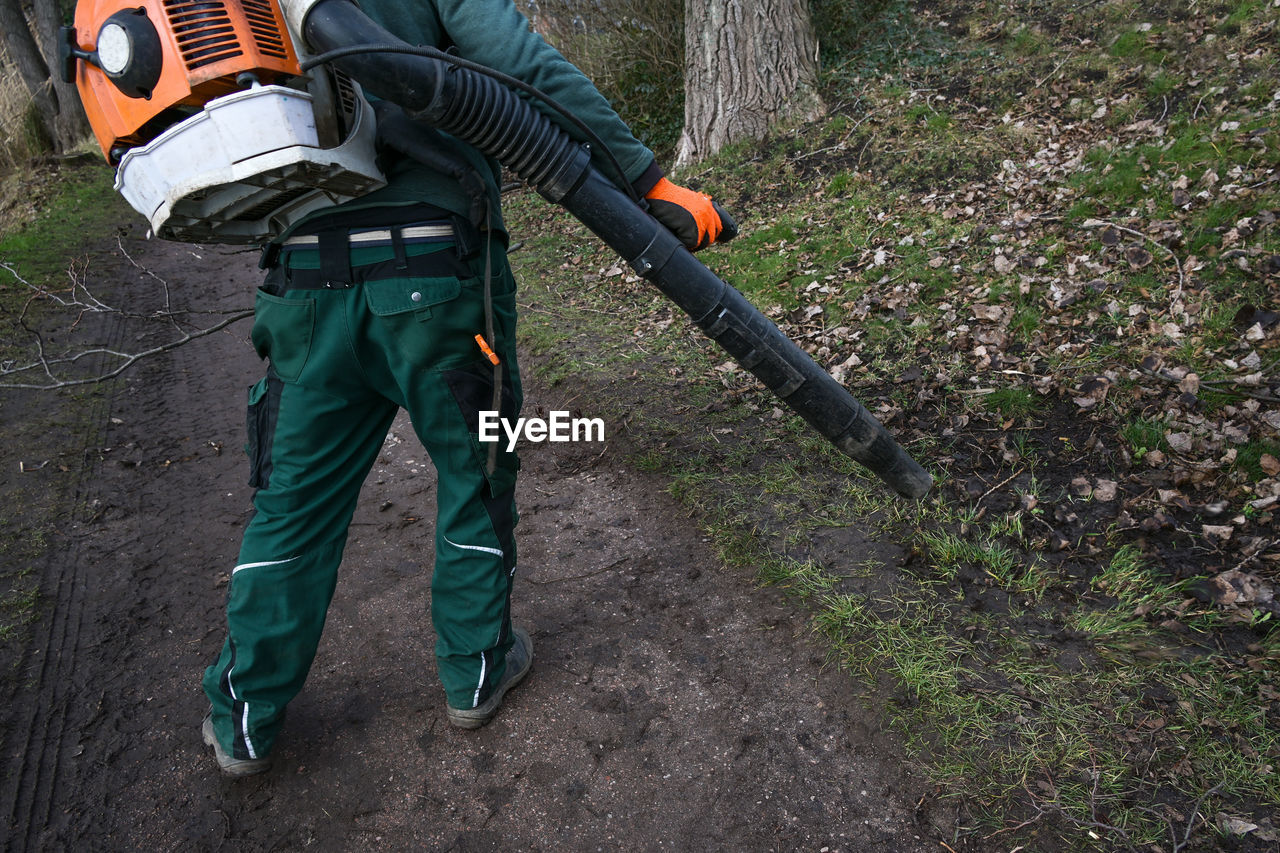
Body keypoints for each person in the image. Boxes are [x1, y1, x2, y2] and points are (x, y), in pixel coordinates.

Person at [200, 0, 734, 776]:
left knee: (292, 503)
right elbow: (526, 66)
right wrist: (647, 180)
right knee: (475, 468)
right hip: (435, 273)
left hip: (302, 282)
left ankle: (243, 715)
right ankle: (475, 669)